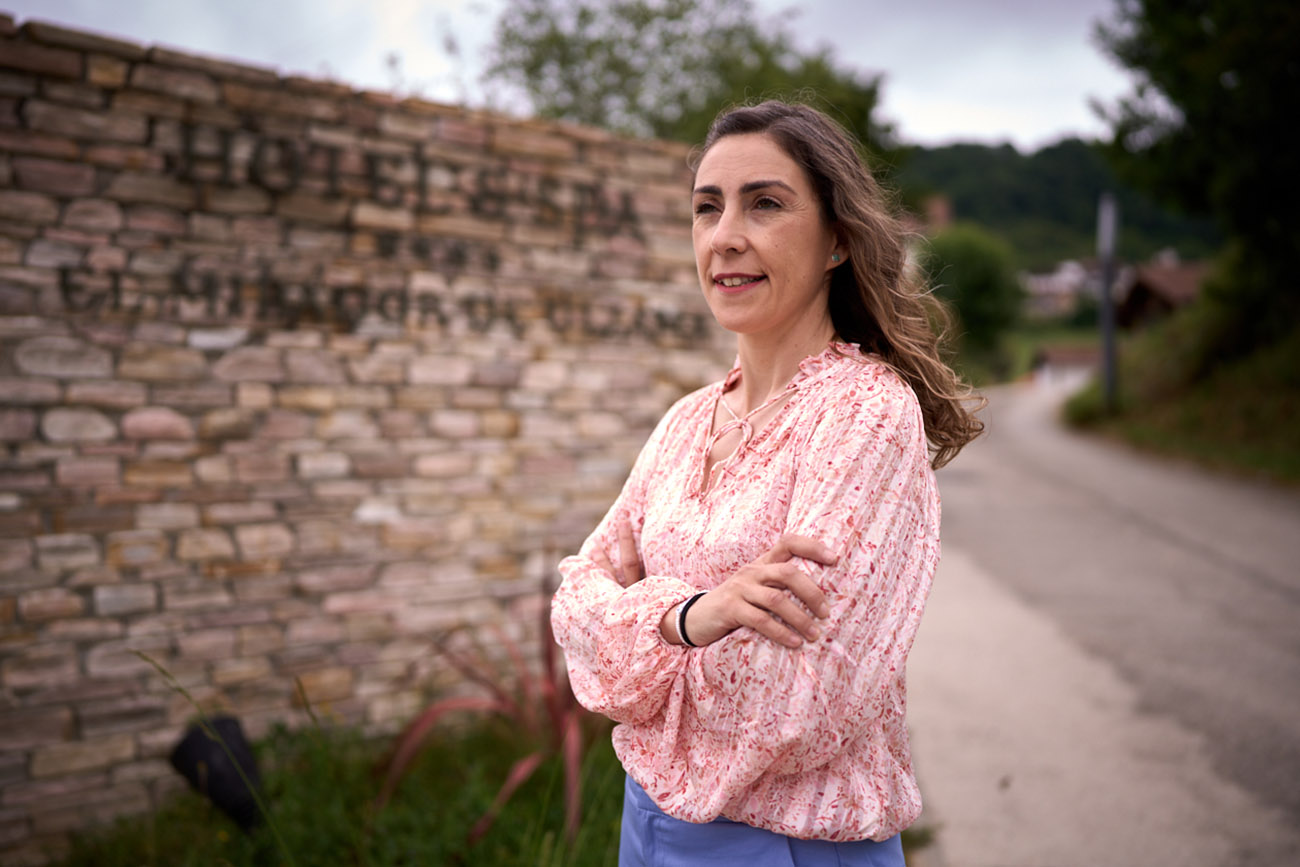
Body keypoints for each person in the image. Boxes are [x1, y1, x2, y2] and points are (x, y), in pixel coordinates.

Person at [551, 100, 985, 866]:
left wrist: (636, 653)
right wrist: (691, 616)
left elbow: (795, 705)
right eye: (706, 209)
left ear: (837, 241)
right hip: (645, 821)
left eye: (766, 203)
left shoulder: (865, 415)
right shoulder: (687, 420)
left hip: (786, 843)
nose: (725, 237)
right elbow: (573, 604)